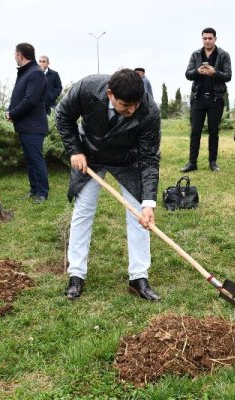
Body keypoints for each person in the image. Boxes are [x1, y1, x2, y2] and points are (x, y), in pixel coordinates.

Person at [55, 68, 161, 302]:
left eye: (136, 104)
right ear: (110, 94)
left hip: (128, 160)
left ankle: (138, 277)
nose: (132, 110)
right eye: (126, 105)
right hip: (91, 155)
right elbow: (62, 115)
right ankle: (76, 274)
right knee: (83, 211)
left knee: (139, 217)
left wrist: (148, 202)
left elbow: (150, 158)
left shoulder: (149, 110)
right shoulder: (87, 88)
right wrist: (75, 150)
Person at [180, 27, 231, 173]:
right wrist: (197, 71)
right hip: (198, 98)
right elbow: (188, 74)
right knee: (195, 131)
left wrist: (215, 72)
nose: (207, 41)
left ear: (215, 39)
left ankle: (213, 162)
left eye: (210, 38)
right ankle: (192, 162)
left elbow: (228, 76)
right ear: (202, 39)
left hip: (216, 99)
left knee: (213, 132)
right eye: (205, 38)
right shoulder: (196, 54)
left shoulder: (223, 55)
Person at [6, 43, 49, 204]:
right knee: (30, 160)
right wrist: (11, 112)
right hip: (26, 125)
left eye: (15, 54)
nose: (15, 57)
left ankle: (43, 193)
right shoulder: (26, 72)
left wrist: (12, 113)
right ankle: (34, 190)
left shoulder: (35, 73)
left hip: (34, 126)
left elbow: (30, 100)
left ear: (20, 55)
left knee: (36, 159)